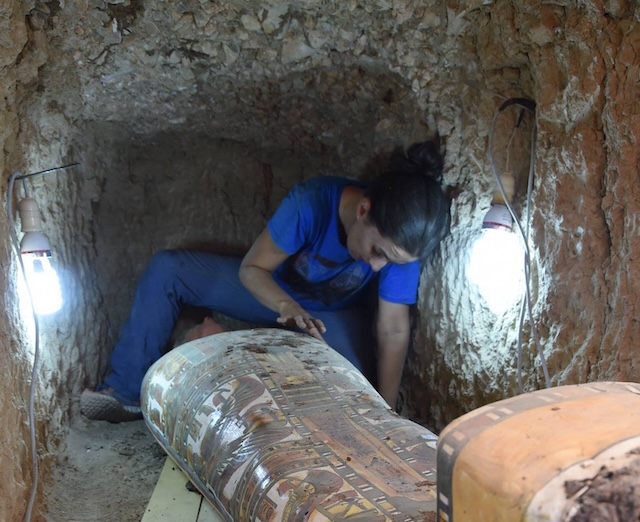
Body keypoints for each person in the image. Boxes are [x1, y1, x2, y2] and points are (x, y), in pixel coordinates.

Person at [80, 140, 449, 423]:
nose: (379, 267)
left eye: (393, 261)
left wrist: (384, 413)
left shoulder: (401, 242)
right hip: (275, 295)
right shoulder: (312, 202)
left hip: (331, 319)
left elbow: (393, 330)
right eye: (377, 252)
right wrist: (286, 306)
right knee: (168, 269)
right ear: (364, 210)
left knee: (350, 399)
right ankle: (125, 390)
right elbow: (251, 269)